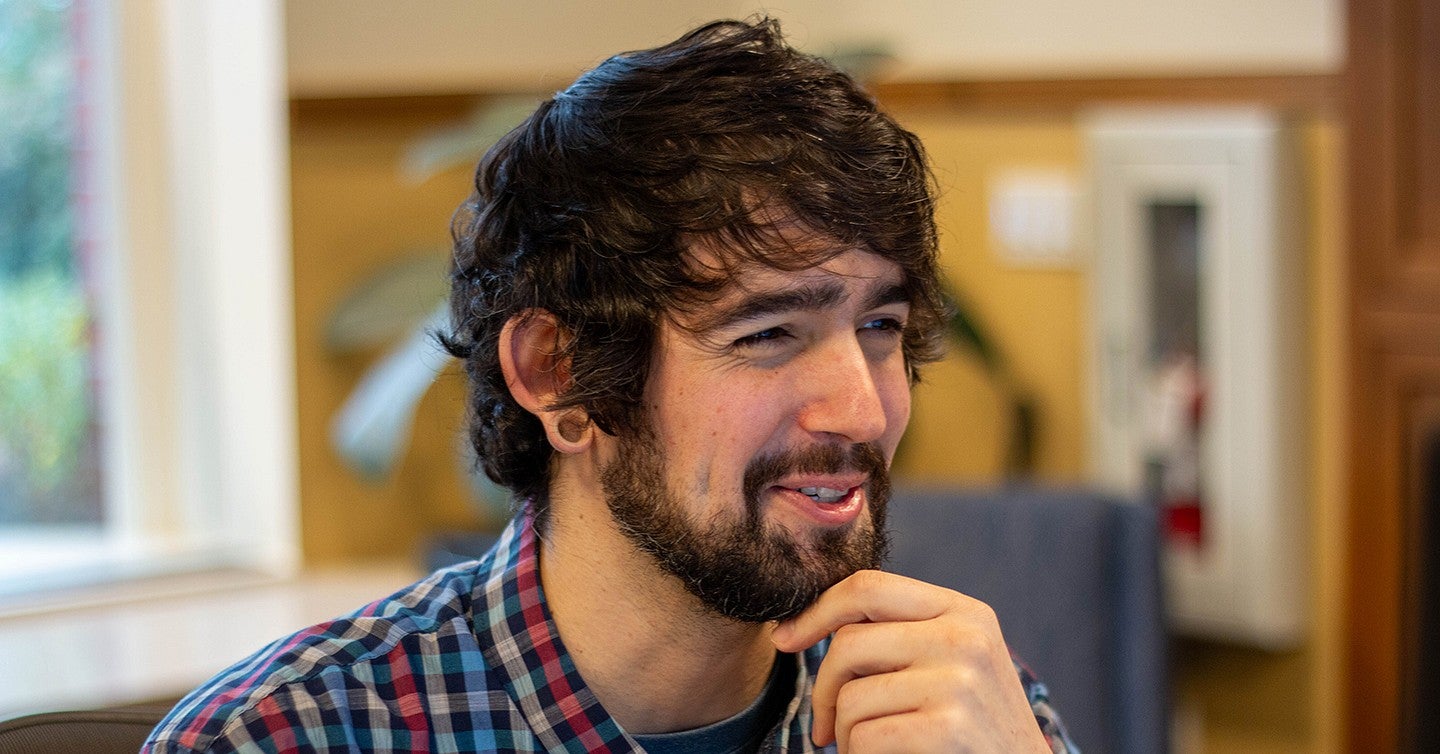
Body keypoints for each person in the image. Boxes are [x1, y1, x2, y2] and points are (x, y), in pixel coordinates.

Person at [145, 18, 1076, 753]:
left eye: (880, 327)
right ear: (559, 374)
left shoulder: (957, 714)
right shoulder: (287, 739)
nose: (865, 410)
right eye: (769, 334)